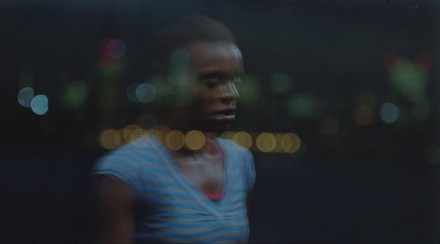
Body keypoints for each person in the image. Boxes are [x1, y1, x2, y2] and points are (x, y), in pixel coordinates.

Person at [93, 16, 256, 243]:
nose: (230, 94)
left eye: (235, 81)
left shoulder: (240, 162)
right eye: (212, 82)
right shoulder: (127, 171)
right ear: (170, 81)